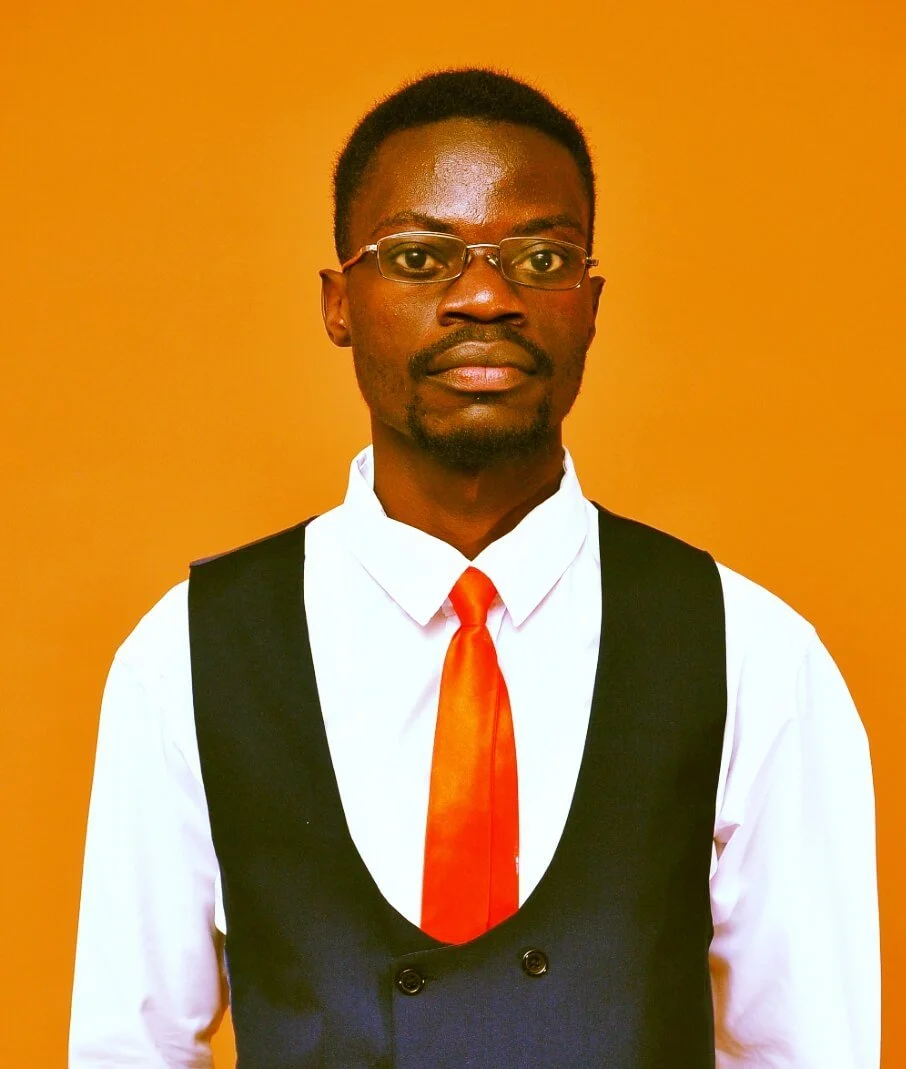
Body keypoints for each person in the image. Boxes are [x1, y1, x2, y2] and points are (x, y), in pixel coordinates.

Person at [70, 69, 879, 1068]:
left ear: (589, 303)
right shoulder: (186, 655)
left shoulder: (750, 653)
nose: (486, 297)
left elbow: (811, 1049)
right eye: (420, 256)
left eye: (541, 257)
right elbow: (130, 1048)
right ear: (339, 303)